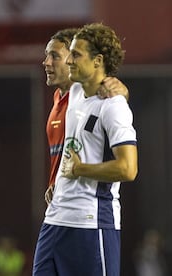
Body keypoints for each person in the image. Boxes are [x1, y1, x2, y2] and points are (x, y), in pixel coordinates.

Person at [33, 23, 138, 276]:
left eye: (75, 55)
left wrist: (80, 169)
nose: (68, 61)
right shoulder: (75, 92)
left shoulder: (112, 105)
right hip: (55, 219)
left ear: (97, 60)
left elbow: (128, 168)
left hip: (91, 222)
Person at [43, 28, 129, 205]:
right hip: (61, 203)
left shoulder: (94, 94)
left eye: (55, 56)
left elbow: (111, 96)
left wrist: (123, 91)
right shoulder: (60, 98)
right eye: (47, 56)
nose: (46, 62)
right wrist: (55, 182)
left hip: (87, 206)